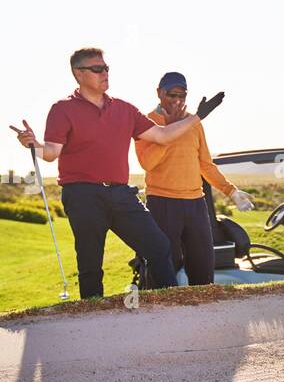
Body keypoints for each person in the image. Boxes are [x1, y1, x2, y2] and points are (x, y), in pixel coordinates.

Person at [10, 47, 208, 299]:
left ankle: (168, 306)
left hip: (120, 193)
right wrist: (33, 144)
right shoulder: (62, 109)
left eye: (106, 68)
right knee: (91, 264)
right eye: (97, 69)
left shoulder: (124, 109)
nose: (104, 73)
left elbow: (161, 135)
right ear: (78, 74)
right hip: (82, 194)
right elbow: (50, 152)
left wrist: (198, 117)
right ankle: (93, 324)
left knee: (158, 247)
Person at [134, 73, 252, 286]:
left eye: (182, 95)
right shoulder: (146, 122)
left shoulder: (194, 124)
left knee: (203, 267)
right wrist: (169, 130)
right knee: (165, 269)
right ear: (159, 92)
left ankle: (202, 316)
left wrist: (231, 191)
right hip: (163, 203)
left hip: (196, 204)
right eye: (172, 94)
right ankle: (162, 316)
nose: (177, 100)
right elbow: (147, 163)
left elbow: (205, 164)